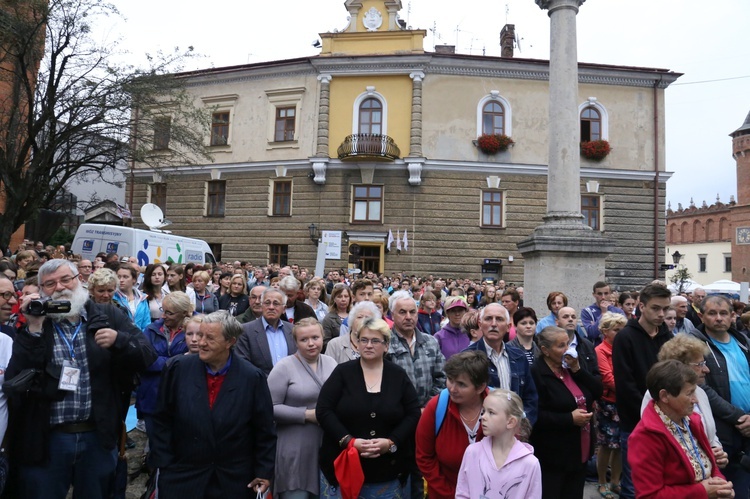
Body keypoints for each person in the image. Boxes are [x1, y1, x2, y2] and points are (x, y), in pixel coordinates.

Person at [5, 259, 156, 499]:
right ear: (42, 290)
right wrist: (33, 328)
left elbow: (148, 355)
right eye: (50, 284)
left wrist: (120, 341)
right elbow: (16, 378)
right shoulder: (39, 322)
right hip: (49, 438)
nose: (60, 287)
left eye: (66, 279)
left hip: (97, 436)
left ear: (79, 281)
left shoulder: (106, 314)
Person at [151, 311, 276, 498]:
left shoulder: (251, 377)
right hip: (183, 475)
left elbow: (264, 430)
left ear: (230, 342)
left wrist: (263, 471)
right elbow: (161, 419)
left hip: (232, 479)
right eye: (200, 335)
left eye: (210, 338)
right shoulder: (178, 368)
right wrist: (166, 463)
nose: (200, 342)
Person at [317, 317, 421, 498]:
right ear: (356, 344)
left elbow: (412, 413)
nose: (368, 345)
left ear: (386, 345)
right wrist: (349, 441)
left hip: (387, 470)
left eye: (375, 341)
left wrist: (391, 442)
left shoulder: (397, 375)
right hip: (344, 467)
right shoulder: (342, 372)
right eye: (363, 340)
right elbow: (324, 410)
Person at [629, 360, 733, 498]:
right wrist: (702, 492)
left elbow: (710, 468)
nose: (695, 400)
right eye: (689, 393)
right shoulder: (645, 437)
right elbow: (649, 495)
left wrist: (722, 487)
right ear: (665, 396)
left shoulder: (692, 421)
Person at [612, 282, 673, 499]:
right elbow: (625, 385)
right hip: (636, 422)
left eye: (665, 309)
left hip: (668, 420)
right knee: (633, 486)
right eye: (656, 308)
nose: (661, 314)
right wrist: (651, 413)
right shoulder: (625, 337)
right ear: (642, 306)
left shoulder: (666, 336)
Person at [267, 318, 338, 498]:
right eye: (304, 339)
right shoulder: (284, 367)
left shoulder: (331, 363)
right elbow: (269, 407)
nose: (311, 343)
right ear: (295, 342)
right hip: (295, 447)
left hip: (326, 444)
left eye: (315, 337)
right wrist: (306, 415)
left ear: (323, 337)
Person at [531, 326, 603, 499]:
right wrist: (568, 419)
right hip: (554, 455)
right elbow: (535, 415)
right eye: (561, 346)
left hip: (580, 450)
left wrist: (578, 369)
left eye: (568, 344)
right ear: (545, 350)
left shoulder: (571, 366)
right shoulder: (537, 372)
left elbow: (598, 391)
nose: (568, 350)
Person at [689, 295, 750, 498]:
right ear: (701, 316)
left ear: (733, 316)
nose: (718, 318)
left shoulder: (743, 341)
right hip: (720, 431)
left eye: (723, 313)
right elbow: (702, 389)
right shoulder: (695, 345)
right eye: (712, 313)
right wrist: (738, 417)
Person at [640, 334, 728, 467]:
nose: (706, 370)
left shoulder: (701, 392)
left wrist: (717, 451)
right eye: (700, 364)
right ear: (680, 366)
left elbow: (710, 434)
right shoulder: (655, 396)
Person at [416, 351, 490, 499]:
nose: (452, 389)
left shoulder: (498, 408)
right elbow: (424, 457)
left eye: (461, 384)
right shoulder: (437, 407)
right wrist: (452, 494)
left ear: (480, 387)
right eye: (450, 379)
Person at [455, 389, 542, 499]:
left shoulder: (530, 464)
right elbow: (462, 494)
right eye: (483, 411)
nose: (483, 417)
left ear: (510, 422)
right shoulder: (472, 453)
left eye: (491, 412)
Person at [465, 302, 538, 424]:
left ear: (509, 326)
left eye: (499, 319)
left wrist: (522, 425)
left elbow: (530, 397)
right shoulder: (467, 358)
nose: (493, 324)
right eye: (488, 319)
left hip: (515, 431)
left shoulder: (519, 357)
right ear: (480, 324)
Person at [137, 291, 192, 449]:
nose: (163, 316)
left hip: (182, 395)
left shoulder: (196, 327)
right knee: (156, 442)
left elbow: (194, 360)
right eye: (163, 310)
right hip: (152, 395)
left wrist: (160, 360)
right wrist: (176, 361)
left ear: (183, 313)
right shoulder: (152, 330)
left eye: (169, 313)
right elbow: (144, 360)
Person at [595, 312, 627, 498]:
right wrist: (628, 388)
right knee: (606, 445)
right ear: (605, 331)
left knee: (621, 444)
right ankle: (601, 481)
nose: (620, 333)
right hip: (608, 403)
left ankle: (615, 481)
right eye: (616, 330)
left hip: (623, 401)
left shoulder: (623, 347)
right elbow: (608, 378)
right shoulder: (601, 350)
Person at [235, 288, 295, 375]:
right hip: (259, 385)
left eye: (276, 303)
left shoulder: (292, 330)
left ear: (284, 309)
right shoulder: (246, 330)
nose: (271, 307)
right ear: (262, 306)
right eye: (267, 303)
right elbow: (242, 363)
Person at [113, 263, 150, 331]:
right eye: (119, 277)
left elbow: (146, 323)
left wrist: (142, 338)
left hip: (139, 338)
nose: (121, 280)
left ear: (134, 279)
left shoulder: (142, 298)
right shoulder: (112, 297)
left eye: (125, 277)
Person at [321, 284, 351, 350]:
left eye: (346, 296)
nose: (343, 299)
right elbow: (325, 342)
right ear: (334, 299)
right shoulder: (328, 319)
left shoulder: (355, 316)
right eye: (339, 297)